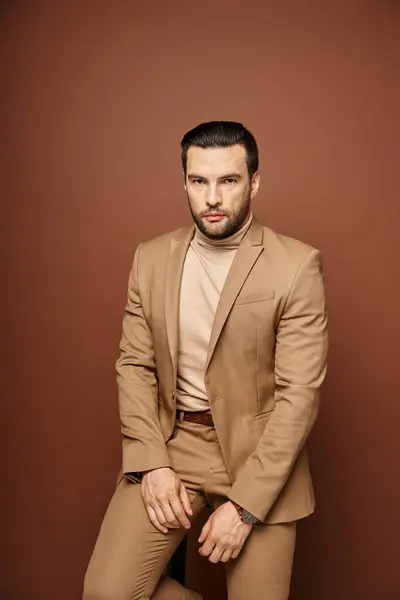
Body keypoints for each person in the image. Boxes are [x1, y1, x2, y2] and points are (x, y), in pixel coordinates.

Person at [83, 121, 328, 600]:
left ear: (254, 182)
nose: (212, 197)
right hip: (173, 442)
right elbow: (134, 365)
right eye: (199, 181)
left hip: (260, 456)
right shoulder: (151, 258)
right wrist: (151, 462)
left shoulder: (297, 265)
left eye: (228, 180)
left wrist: (246, 507)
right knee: (106, 595)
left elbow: (298, 397)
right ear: (185, 183)